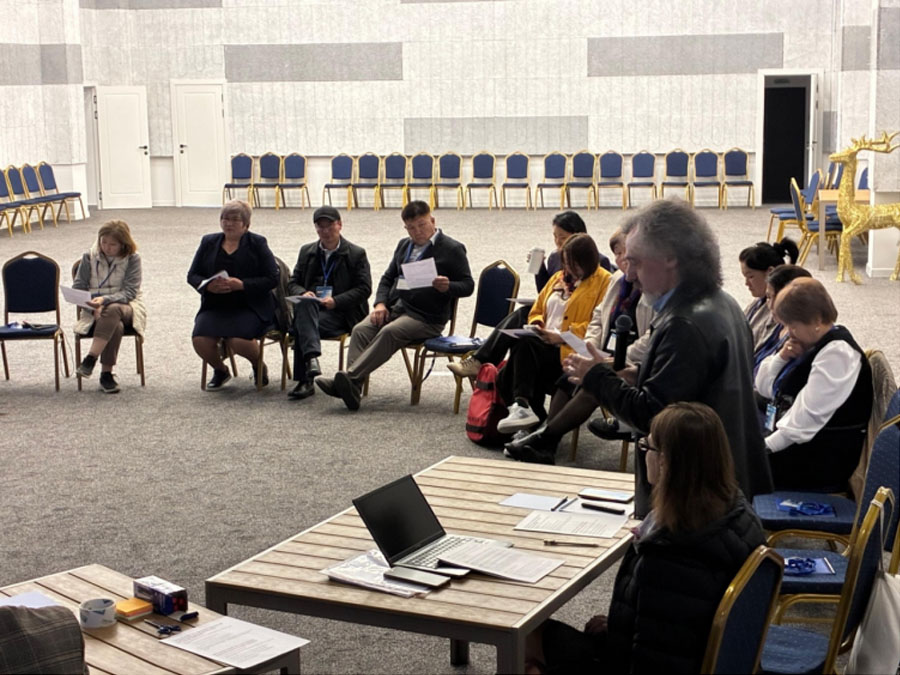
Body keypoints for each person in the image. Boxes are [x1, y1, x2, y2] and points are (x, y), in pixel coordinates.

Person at [563, 200, 773, 517]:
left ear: (670, 258)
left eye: (635, 262)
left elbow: (655, 417)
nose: (629, 275)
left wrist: (596, 376)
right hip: (724, 477)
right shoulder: (723, 302)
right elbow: (697, 387)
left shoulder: (684, 324)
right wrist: (639, 374)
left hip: (693, 493)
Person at [524, 402, 766, 674]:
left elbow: (653, 663)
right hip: (699, 656)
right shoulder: (737, 513)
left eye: (646, 446)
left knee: (525, 640)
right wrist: (622, 627)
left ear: (665, 462)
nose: (643, 454)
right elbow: (679, 624)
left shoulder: (671, 555)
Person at [504, 229, 653, 463]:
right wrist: (590, 347)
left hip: (631, 359)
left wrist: (612, 359)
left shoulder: (649, 287)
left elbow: (652, 336)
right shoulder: (618, 281)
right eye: (617, 254)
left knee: (593, 380)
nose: (621, 260)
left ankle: (545, 439)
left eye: (625, 253)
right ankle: (544, 438)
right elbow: (598, 318)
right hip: (601, 350)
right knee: (569, 372)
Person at [315, 200, 474, 410]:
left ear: (432, 221)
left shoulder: (451, 248)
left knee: (390, 332)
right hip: (397, 308)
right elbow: (387, 278)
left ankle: (349, 379)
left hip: (427, 317)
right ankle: (353, 388)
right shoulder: (404, 246)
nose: (417, 232)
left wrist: (448, 286)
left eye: (422, 225)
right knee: (361, 330)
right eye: (411, 228)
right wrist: (380, 304)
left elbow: (468, 285)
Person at [447, 211, 609, 379]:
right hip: (552, 319)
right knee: (523, 322)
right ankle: (489, 370)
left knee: (523, 338)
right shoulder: (556, 258)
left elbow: (596, 315)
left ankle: (485, 365)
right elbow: (544, 293)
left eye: (563, 237)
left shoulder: (599, 266)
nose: (558, 242)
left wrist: (561, 333)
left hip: (570, 330)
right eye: (555, 237)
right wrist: (539, 269)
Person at [755, 277, 873, 491]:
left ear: (817, 320)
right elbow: (764, 387)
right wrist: (781, 357)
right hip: (793, 438)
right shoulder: (809, 343)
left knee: (729, 469)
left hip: (818, 460)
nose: (789, 332)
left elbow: (804, 421)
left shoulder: (837, 355)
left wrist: (760, 450)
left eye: (793, 326)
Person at [495, 233, 612, 432]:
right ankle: (526, 415)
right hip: (545, 345)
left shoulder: (604, 281)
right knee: (519, 354)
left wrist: (562, 336)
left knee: (516, 363)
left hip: (570, 353)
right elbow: (537, 308)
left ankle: (525, 413)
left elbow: (599, 323)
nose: (570, 269)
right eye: (566, 263)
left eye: (575, 264)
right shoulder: (558, 278)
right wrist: (537, 325)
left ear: (588, 260)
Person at [187, 200, 279, 390]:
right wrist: (208, 287)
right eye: (225, 219)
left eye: (235, 220)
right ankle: (220, 370)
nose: (228, 223)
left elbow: (272, 278)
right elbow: (192, 275)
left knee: (238, 340)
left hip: (250, 305)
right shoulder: (208, 242)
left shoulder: (257, 243)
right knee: (200, 340)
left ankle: (258, 365)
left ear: (246, 224)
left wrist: (242, 285)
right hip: (215, 305)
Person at [287, 206, 372, 400]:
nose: (325, 231)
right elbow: (293, 283)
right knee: (304, 306)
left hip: (343, 313)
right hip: (314, 310)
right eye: (320, 227)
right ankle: (311, 359)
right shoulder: (307, 251)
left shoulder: (356, 253)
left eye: (330, 225)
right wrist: (303, 293)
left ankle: (306, 378)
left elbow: (364, 289)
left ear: (339, 225)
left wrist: (336, 301)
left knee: (301, 322)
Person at [73, 220, 146, 394]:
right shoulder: (88, 257)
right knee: (116, 325)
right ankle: (106, 375)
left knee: (113, 309)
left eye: (112, 244)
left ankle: (90, 358)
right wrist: (92, 307)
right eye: (103, 242)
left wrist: (104, 300)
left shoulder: (133, 258)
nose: (107, 247)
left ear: (123, 244)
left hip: (128, 306)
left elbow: (129, 292)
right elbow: (78, 289)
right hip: (94, 308)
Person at [738, 239, 798, 350]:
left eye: (750, 276)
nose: (746, 283)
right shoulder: (757, 304)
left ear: (770, 272)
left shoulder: (778, 314)